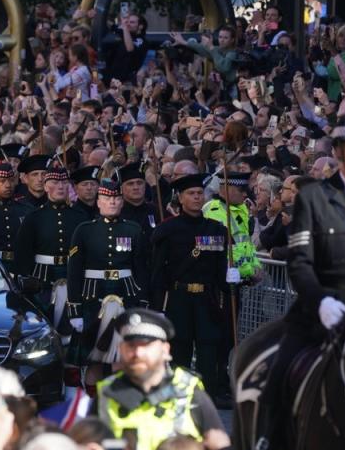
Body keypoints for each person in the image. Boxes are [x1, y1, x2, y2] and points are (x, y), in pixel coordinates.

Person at [245, 114, 345, 450]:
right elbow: (301, 262)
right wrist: (322, 302)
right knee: (277, 373)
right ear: (338, 154)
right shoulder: (314, 199)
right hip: (323, 311)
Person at [94, 308, 228, 450]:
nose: (138, 353)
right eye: (131, 346)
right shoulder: (105, 393)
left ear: (165, 350)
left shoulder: (190, 393)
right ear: (121, 349)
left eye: (146, 345)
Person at [149, 174, 234, 401]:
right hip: (179, 297)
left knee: (209, 349)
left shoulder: (216, 229)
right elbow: (158, 271)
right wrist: (157, 306)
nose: (197, 198)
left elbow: (219, 269)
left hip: (207, 299)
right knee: (180, 349)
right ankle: (178, 395)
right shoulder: (168, 230)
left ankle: (208, 396)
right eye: (191, 194)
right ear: (180, 198)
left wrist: (230, 281)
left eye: (199, 193)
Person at [67, 179, 148, 370]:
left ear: (122, 202)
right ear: (98, 202)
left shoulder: (133, 229)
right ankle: (95, 399)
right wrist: (75, 310)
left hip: (126, 294)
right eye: (106, 198)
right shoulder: (85, 230)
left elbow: (141, 269)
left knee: (122, 356)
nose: (112, 202)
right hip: (92, 296)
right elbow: (74, 271)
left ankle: (117, 398)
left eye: (116, 198)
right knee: (94, 359)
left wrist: (143, 302)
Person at [14, 166, 90, 309]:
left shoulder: (79, 216)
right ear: (46, 186)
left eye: (64, 182)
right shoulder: (34, 217)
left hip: (71, 273)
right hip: (42, 276)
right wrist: (25, 278)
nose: (60, 186)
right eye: (54, 182)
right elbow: (23, 252)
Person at [204, 170, 261, 284]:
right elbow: (217, 247)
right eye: (241, 190)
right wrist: (249, 271)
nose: (245, 194)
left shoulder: (242, 209)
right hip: (220, 279)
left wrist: (256, 266)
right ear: (225, 189)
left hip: (240, 278)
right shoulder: (213, 210)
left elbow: (247, 244)